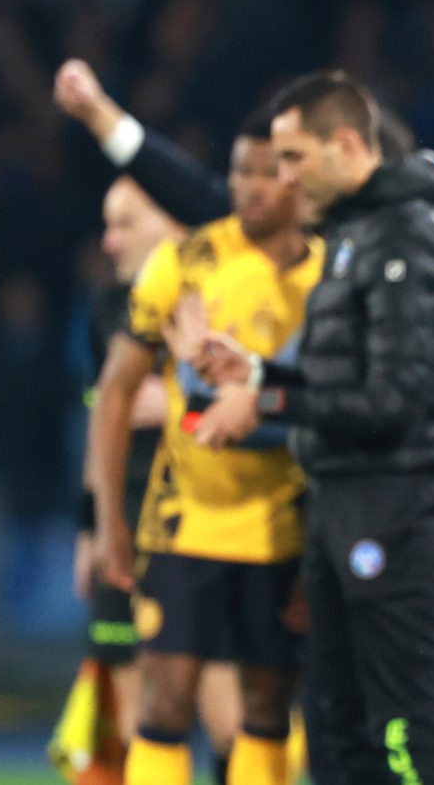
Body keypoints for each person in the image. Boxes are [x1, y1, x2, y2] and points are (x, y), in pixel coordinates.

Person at [193, 70, 434, 785]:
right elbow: (345, 383)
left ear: (345, 145)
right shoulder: (353, 235)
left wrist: (271, 405)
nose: (281, 179)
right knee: (333, 723)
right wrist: (258, 375)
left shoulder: (407, 233)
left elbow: (396, 401)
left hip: (395, 503)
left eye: (292, 159)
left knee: (402, 726)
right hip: (341, 499)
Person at [77, 97, 320, 783]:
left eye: (263, 174)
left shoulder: (325, 274)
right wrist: (106, 521)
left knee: (267, 706)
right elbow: (114, 392)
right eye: (238, 173)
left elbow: (334, 396)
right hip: (185, 522)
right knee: (164, 700)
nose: (247, 187)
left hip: (282, 524)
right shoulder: (185, 262)